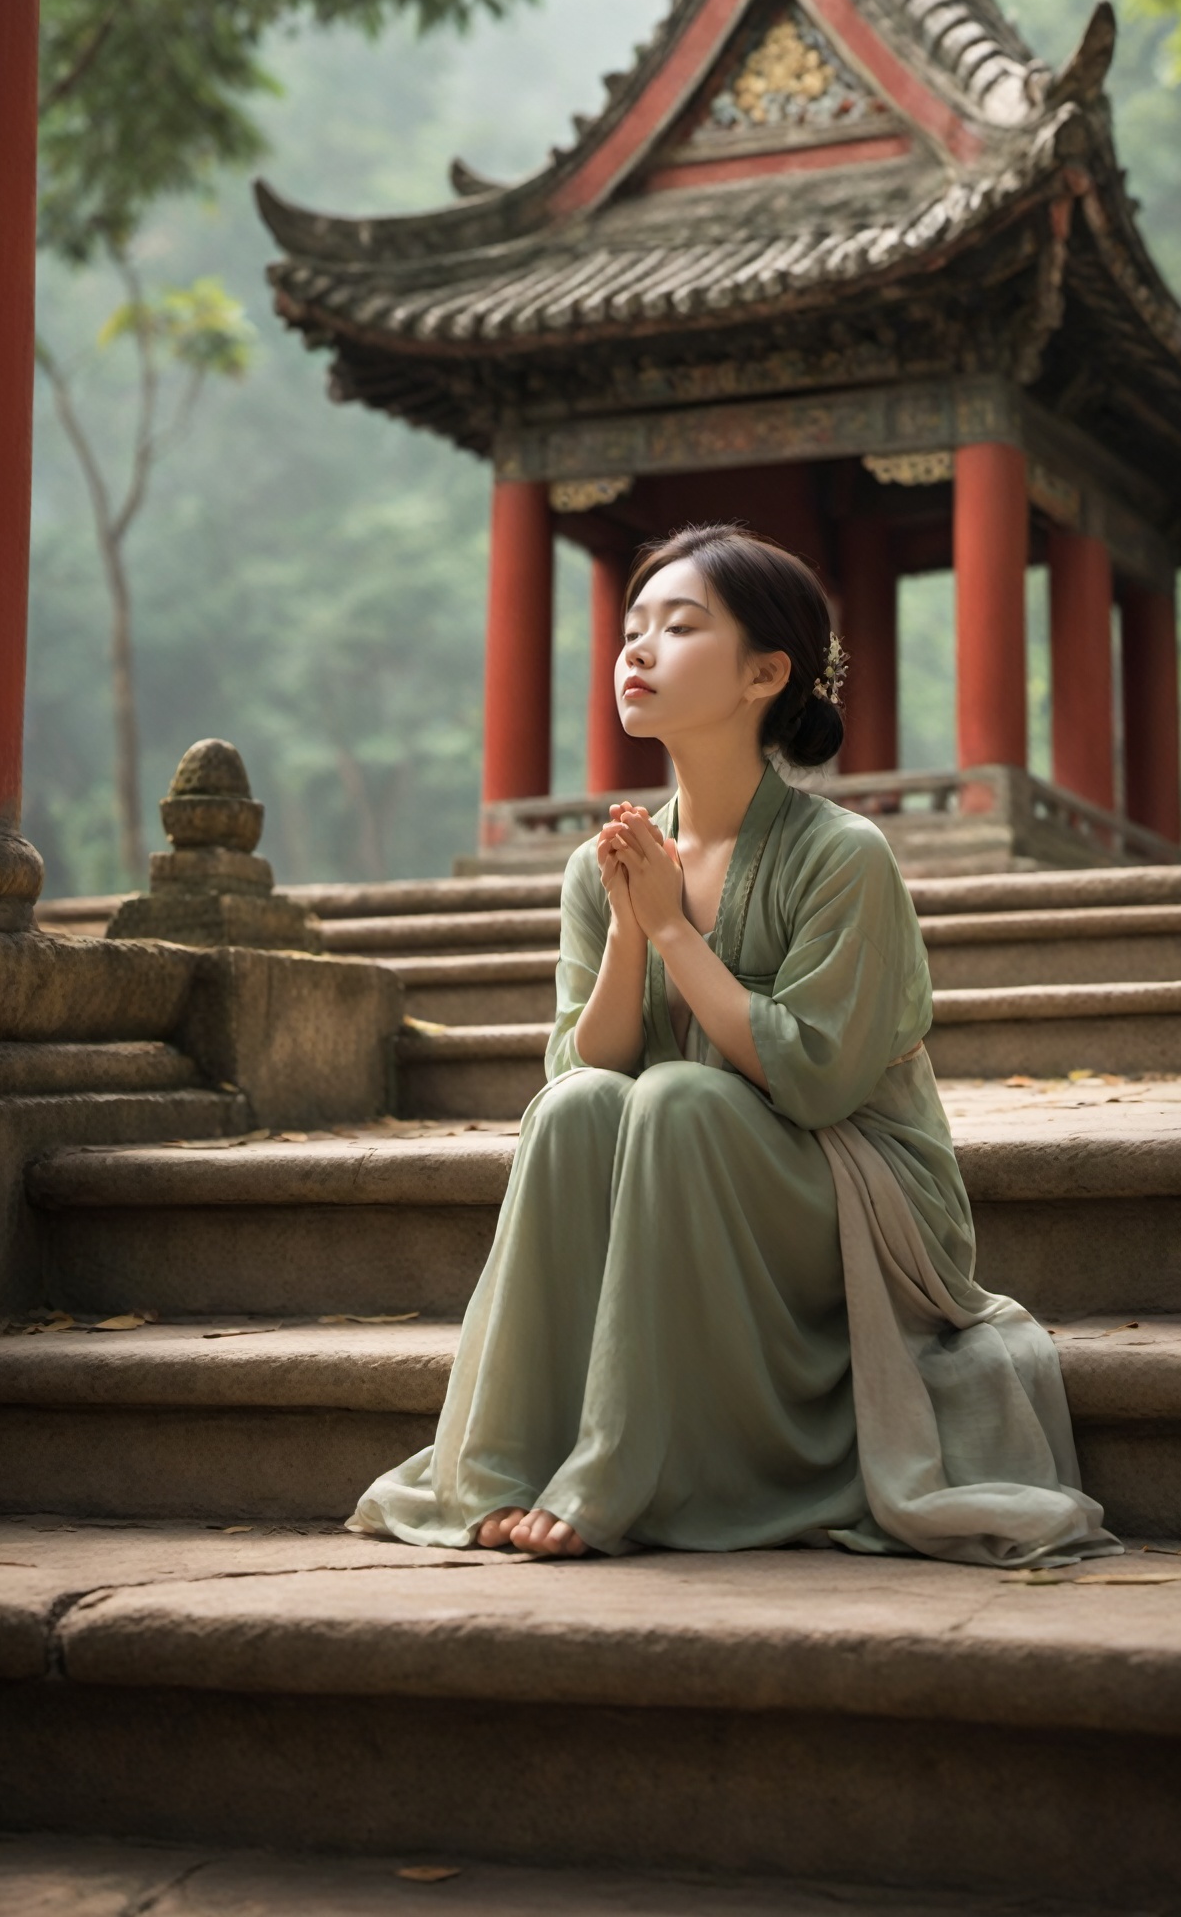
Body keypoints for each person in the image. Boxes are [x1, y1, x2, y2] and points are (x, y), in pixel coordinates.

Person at [349, 523, 1117, 1567]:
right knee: (580, 1107)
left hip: (851, 1193)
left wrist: (674, 928)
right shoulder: (603, 864)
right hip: (673, 1171)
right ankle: (504, 1464)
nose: (637, 649)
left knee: (682, 1098)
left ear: (766, 672)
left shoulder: (844, 857)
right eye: (631, 628)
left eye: (679, 625)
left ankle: (617, 1472)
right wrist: (630, 923)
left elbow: (814, 1081)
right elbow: (587, 1075)